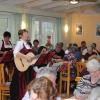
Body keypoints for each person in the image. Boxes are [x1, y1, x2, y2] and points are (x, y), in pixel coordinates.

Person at [10, 29, 35, 100]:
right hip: (22, 69)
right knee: (22, 85)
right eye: (25, 34)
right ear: (20, 35)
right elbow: (15, 53)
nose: (27, 35)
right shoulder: (20, 43)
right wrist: (26, 57)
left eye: (27, 33)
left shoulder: (27, 44)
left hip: (27, 67)